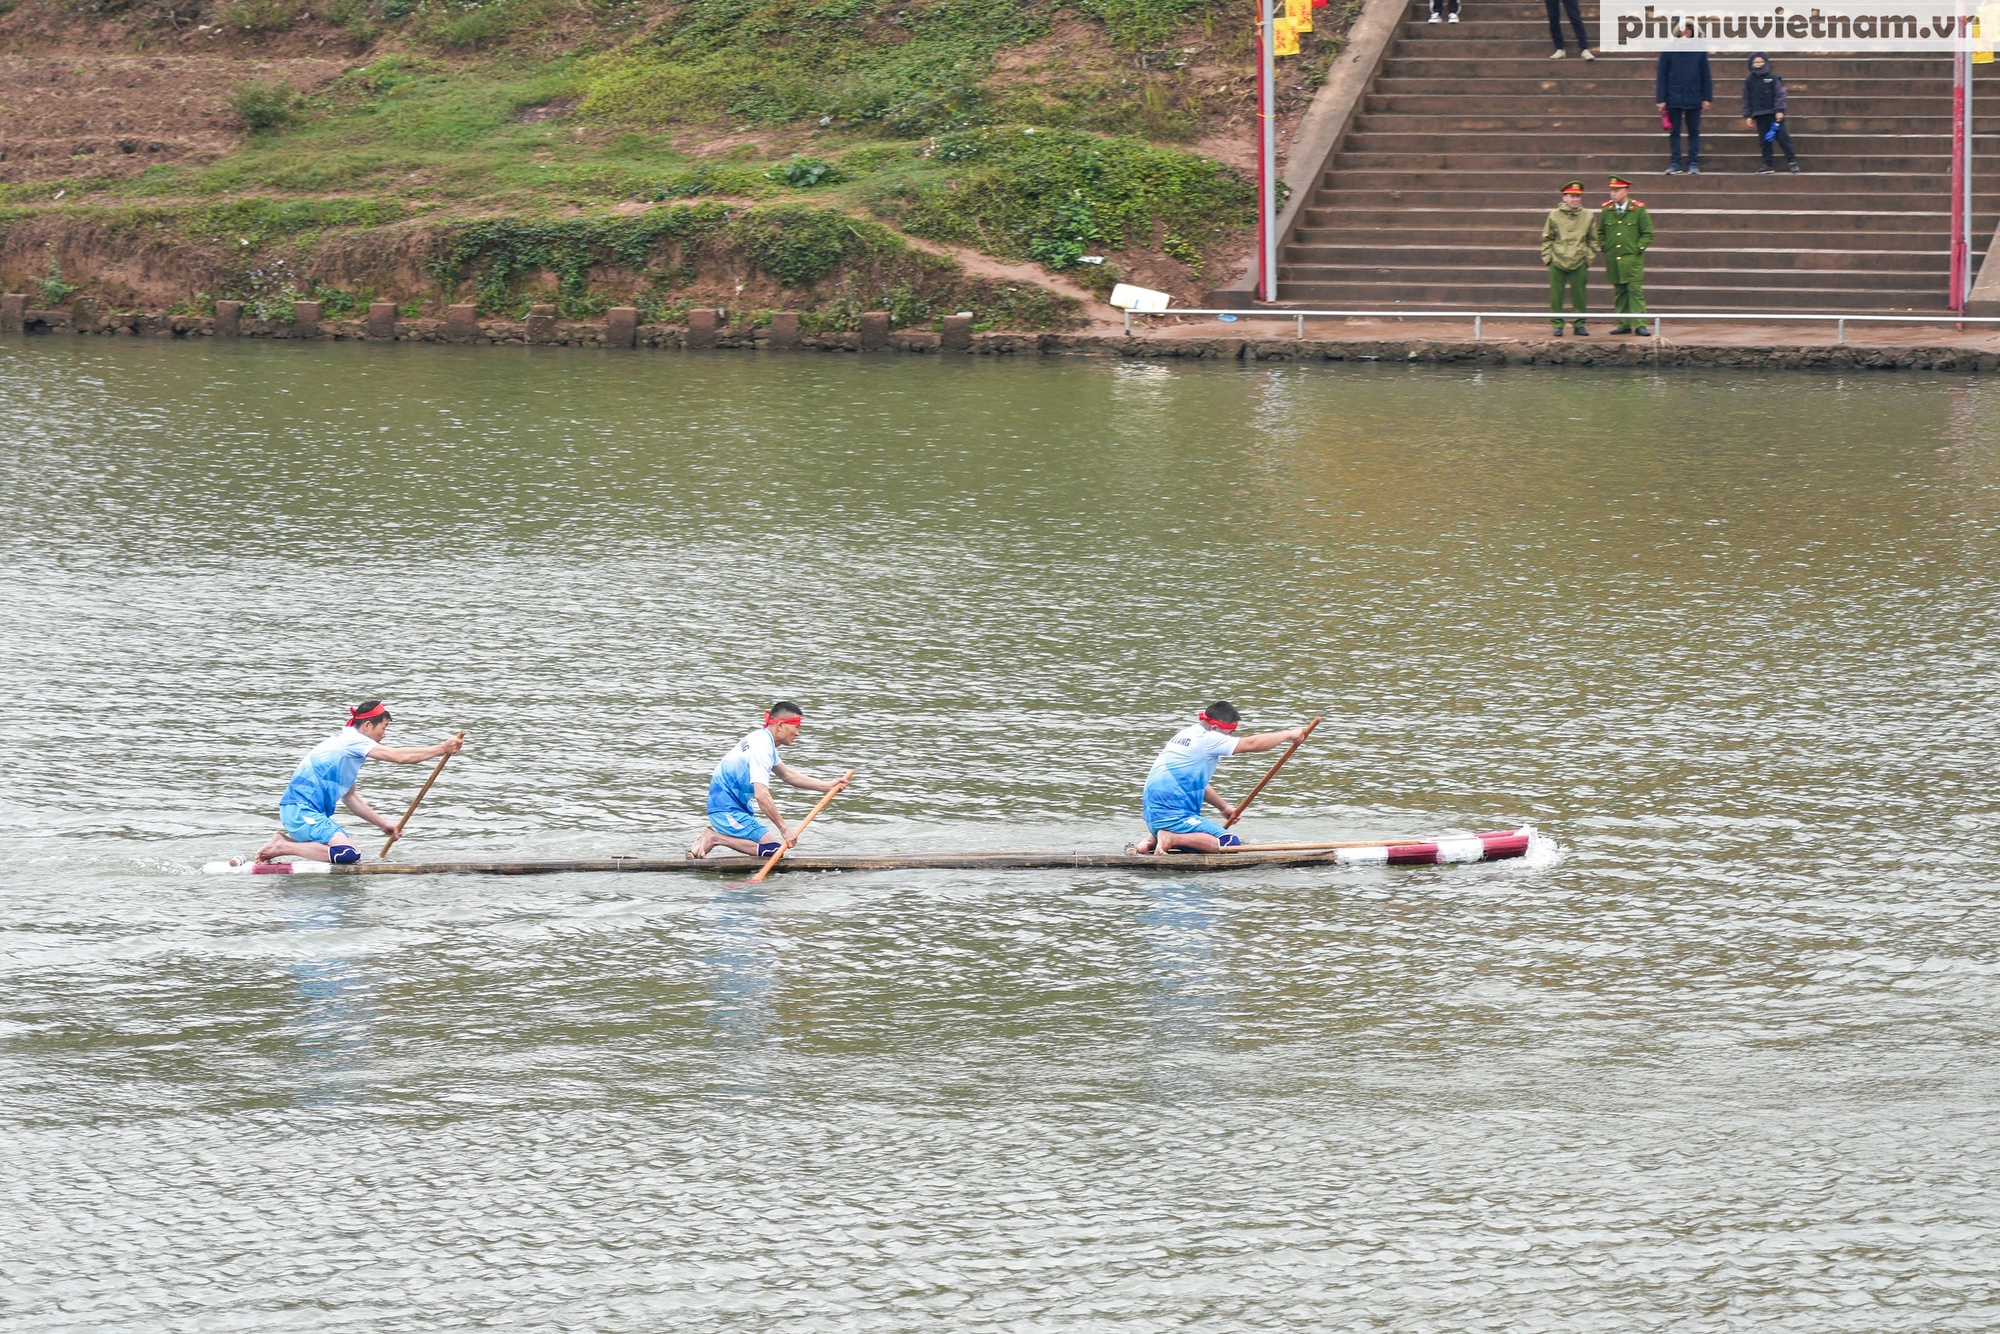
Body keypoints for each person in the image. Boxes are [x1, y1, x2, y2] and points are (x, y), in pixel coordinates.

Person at [253, 701, 467, 864]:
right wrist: (441, 749)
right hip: (300, 811)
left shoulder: (347, 751)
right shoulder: (352, 740)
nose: (384, 734)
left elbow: (350, 797)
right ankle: (283, 845)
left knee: (347, 853)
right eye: (383, 728)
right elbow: (399, 757)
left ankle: (285, 843)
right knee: (349, 854)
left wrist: (384, 824)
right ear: (366, 725)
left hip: (303, 813)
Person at [1126, 702, 1311, 855]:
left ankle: (1151, 841)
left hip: (1153, 817)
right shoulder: (1209, 739)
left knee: (1199, 844)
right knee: (1230, 843)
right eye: (1229, 734)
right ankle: (1171, 837)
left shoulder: (1185, 734)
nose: (1230, 738)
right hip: (1172, 817)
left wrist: (1223, 807)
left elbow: (1195, 784)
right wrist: (1289, 734)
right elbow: (1252, 744)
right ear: (1214, 728)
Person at [688, 702, 844, 858]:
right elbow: (762, 795)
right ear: (781, 725)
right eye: (796, 727)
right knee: (774, 852)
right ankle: (714, 838)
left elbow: (788, 775)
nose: (798, 733)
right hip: (725, 808)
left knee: (773, 850)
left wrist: (827, 786)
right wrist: (784, 829)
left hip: (737, 807)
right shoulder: (761, 749)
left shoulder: (763, 740)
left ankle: (705, 844)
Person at [1542, 179, 1601, 337]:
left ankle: (1580, 324)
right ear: (1564, 197)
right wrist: (1548, 258)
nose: (1575, 199)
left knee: (1580, 295)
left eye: (1578, 196)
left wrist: (1588, 258)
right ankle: (1557, 324)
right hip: (1558, 259)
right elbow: (1547, 237)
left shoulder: (1588, 216)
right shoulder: (1554, 215)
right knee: (1556, 295)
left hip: (1579, 260)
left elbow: (1593, 240)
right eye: (1572, 196)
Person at [1601, 175, 1653, 337]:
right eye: (1612, 190)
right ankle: (1623, 323)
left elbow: (1648, 232)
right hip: (1614, 259)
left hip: (1631, 259)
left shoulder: (1638, 210)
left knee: (1634, 291)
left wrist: (1638, 249)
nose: (1613, 194)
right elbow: (1601, 232)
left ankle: (1640, 324)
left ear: (1625, 191)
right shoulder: (1607, 210)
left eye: (1617, 190)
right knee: (1620, 291)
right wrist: (1605, 247)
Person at [1656, 49, 1712, 174]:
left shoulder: (1699, 51)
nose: (1685, 33)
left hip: (1694, 97)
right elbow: (1662, 75)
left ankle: (1693, 162)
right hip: (1673, 98)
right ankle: (1675, 163)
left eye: (1688, 30)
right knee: (1675, 132)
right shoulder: (1668, 51)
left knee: (1694, 131)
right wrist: (1661, 98)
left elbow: (1706, 75)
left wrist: (1707, 98)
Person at [1742, 52, 1800, 173]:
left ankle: (1792, 161)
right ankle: (1767, 163)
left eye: (1760, 62)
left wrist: (1779, 110)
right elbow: (1746, 98)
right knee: (1765, 141)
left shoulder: (1773, 77)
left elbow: (1780, 94)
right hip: (1759, 114)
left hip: (1773, 114)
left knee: (1783, 138)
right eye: (1755, 62)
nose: (1758, 64)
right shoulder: (1749, 81)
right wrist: (1748, 115)